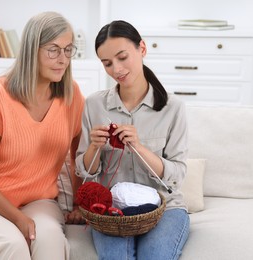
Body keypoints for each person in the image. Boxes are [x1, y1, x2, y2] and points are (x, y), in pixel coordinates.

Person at [0, 11, 85, 260]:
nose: (62, 59)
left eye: (68, 50)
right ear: (33, 50)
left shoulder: (72, 96)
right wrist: (18, 218)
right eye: (53, 49)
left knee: (50, 240)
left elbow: (78, 160)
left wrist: (77, 204)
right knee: (14, 243)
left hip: (38, 200)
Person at [75, 20, 190, 260]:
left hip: (164, 207)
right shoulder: (94, 105)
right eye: (107, 63)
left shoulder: (173, 108)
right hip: (111, 210)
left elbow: (177, 175)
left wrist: (139, 147)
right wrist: (94, 147)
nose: (116, 69)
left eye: (122, 57)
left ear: (142, 49)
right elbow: (86, 174)